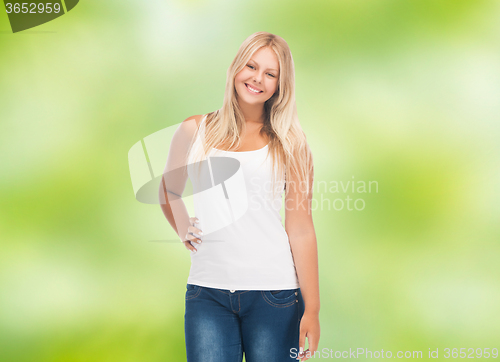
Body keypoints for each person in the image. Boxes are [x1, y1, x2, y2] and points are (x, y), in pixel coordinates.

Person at [159, 32, 320, 362]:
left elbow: (301, 228)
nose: (257, 78)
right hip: (207, 294)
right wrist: (183, 226)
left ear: (279, 85)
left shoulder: (291, 143)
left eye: (270, 74)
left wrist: (313, 309)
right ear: (236, 68)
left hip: (274, 295)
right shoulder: (194, 130)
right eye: (251, 66)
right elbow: (168, 190)